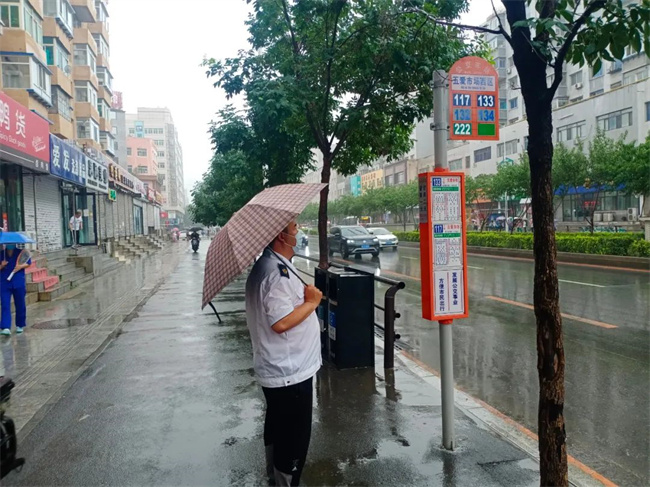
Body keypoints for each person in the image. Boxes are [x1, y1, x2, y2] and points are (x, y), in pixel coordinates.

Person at [245, 220, 323, 486]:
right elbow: (280, 322)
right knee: (293, 441)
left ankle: (275, 478)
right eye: (293, 227)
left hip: (283, 369)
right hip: (290, 374)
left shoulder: (272, 265)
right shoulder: (276, 274)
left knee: (279, 429)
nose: (297, 230)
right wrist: (312, 302)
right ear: (281, 235)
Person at [0, 245, 31, 336]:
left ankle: (20, 325)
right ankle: (6, 327)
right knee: (5, 304)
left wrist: (20, 266)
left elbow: (28, 263)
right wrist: (1, 265)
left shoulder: (21, 252)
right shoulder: (1, 254)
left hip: (18, 281)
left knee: (20, 303)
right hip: (4, 283)